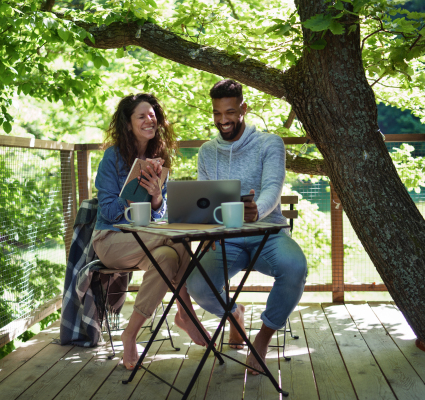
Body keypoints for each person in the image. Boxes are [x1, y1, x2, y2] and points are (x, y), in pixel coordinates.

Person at [186, 79, 307, 374]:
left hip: (267, 234)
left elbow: (272, 189)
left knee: (295, 267)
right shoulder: (207, 152)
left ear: (243, 108)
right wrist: (209, 230)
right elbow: (205, 201)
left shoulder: (269, 143)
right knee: (197, 285)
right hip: (227, 238)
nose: (223, 120)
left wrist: (258, 211)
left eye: (229, 112)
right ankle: (234, 314)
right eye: (217, 113)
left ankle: (262, 340)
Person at [91, 93, 209, 370]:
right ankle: (187, 313)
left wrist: (156, 196)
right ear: (128, 123)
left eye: (153, 114)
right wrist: (134, 193)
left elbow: (160, 214)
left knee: (169, 256)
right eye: (141, 116)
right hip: (111, 240)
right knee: (177, 239)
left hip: (149, 239)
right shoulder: (113, 158)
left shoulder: (158, 158)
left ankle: (130, 333)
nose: (149, 119)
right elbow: (107, 211)